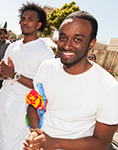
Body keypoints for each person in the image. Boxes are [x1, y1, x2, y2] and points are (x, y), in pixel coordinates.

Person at [23, 11, 118, 150]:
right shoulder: (46, 68)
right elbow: (33, 105)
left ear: (91, 43)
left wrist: (55, 143)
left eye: (77, 39)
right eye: (62, 38)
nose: (66, 46)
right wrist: (35, 131)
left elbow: (102, 143)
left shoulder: (108, 87)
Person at [0, 2, 55, 150]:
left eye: (30, 19)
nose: (25, 22)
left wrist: (14, 75)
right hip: (3, 97)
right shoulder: (12, 46)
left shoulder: (45, 52)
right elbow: (3, 75)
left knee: (11, 145)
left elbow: (43, 87)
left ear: (39, 25)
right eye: (23, 18)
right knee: (0, 139)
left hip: (22, 105)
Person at [0, 28, 11, 100]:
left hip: (3, 64)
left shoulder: (8, 44)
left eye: (1, 33)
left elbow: (9, 54)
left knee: (0, 80)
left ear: (5, 35)